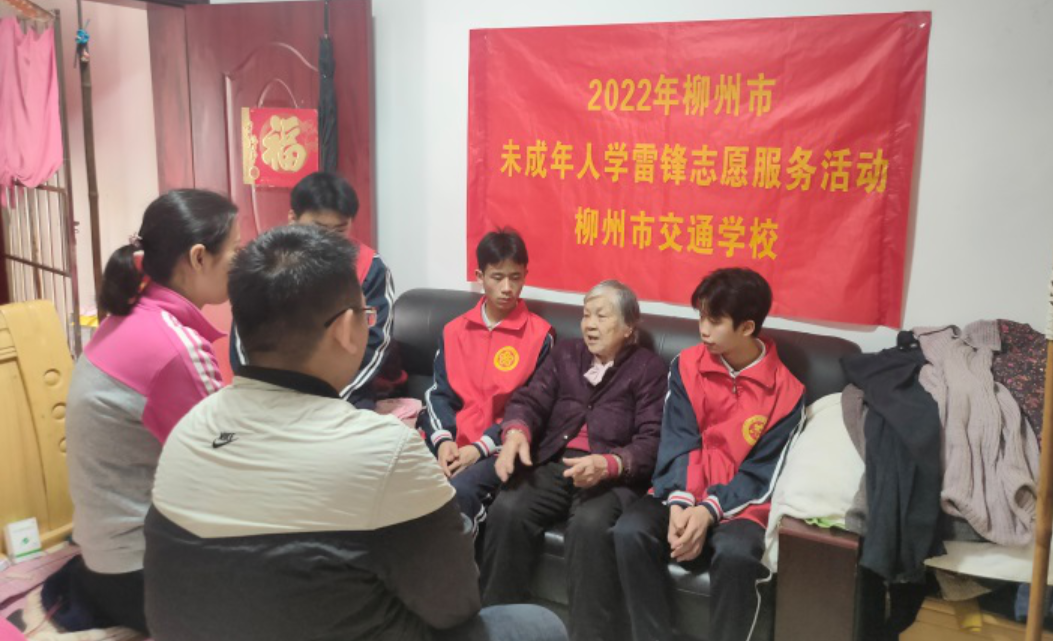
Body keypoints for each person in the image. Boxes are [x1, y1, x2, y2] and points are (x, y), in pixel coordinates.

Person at [144, 225, 566, 641]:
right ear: (347, 329)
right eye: (368, 316)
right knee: (540, 625)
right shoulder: (385, 449)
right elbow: (455, 604)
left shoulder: (190, 430)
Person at [63, 189, 239, 633]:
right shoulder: (175, 348)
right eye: (235, 250)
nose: (241, 262)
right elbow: (229, 467)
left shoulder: (127, 316)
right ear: (199, 257)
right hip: (141, 577)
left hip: (103, 561)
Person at [613, 268, 806, 641]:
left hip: (742, 505)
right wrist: (682, 502)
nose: (703, 329)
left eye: (715, 322)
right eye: (701, 316)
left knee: (737, 555)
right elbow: (678, 441)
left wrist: (709, 510)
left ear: (747, 327)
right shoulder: (686, 366)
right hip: (683, 488)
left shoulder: (787, 392)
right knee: (630, 531)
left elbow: (763, 474)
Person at [481, 280, 665, 641]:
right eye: (586, 315)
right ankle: (496, 628)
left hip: (611, 475)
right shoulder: (566, 354)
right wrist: (516, 432)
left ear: (629, 327)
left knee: (589, 527)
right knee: (508, 508)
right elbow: (530, 400)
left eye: (602, 316)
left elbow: (652, 439)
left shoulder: (648, 369)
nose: (589, 324)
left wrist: (608, 464)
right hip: (555, 461)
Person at [416, 229, 554, 525]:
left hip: (498, 448)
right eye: (497, 277)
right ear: (480, 276)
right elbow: (439, 394)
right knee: (405, 482)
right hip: (451, 442)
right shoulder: (454, 330)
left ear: (525, 276)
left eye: (515, 277)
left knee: (458, 493)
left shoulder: (541, 336)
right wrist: (443, 442)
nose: (507, 288)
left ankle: (458, 556)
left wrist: (479, 449)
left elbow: (533, 409)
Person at [230, 171, 396, 408]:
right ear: (292, 218)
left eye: (340, 230)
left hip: (345, 395)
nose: (328, 240)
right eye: (319, 229)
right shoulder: (268, 263)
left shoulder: (370, 267)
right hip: (267, 398)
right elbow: (245, 336)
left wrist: (324, 402)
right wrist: (261, 395)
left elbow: (376, 344)